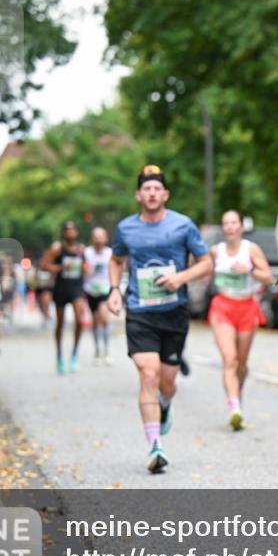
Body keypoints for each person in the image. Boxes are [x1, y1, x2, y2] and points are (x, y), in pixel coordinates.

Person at [107, 164, 211, 474]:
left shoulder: (183, 226)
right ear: (138, 195)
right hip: (140, 312)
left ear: (165, 194)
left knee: (167, 381)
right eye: (146, 189)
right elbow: (116, 259)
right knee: (148, 375)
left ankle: (165, 405)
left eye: (157, 189)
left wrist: (181, 278)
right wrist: (114, 290)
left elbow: (206, 263)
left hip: (173, 312)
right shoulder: (126, 228)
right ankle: (155, 446)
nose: (152, 193)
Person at [207, 209, 273, 430]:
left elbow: (269, 278)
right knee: (230, 359)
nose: (230, 227)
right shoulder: (216, 252)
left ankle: (238, 393)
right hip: (223, 306)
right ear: (222, 228)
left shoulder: (250, 249)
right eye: (226, 223)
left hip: (246, 307)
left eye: (234, 223)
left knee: (242, 364)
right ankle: (234, 407)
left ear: (241, 226)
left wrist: (250, 270)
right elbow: (201, 270)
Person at [40, 221, 87, 374]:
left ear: (77, 232)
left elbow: (86, 266)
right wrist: (60, 267)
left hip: (77, 288)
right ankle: (59, 354)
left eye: (73, 230)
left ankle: (74, 353)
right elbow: (44, 264)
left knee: (80, 319)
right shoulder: (57, 248)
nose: (70, 233)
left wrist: (86, 268)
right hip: (61, 288)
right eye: (67, 230)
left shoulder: (81, 249)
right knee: (60, 323)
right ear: (64, 233)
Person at [84, 227, 114, 365]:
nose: (98, 240)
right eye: (96, 237)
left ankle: (107, 350)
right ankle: (97, 350)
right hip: (90, 290)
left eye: (101, 237)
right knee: (95, 320)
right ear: (92, 239)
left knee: (104, 317)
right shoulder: (86, 253)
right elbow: (82, 269)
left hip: (105, 290)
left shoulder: (110, 253)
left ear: (106, 238)